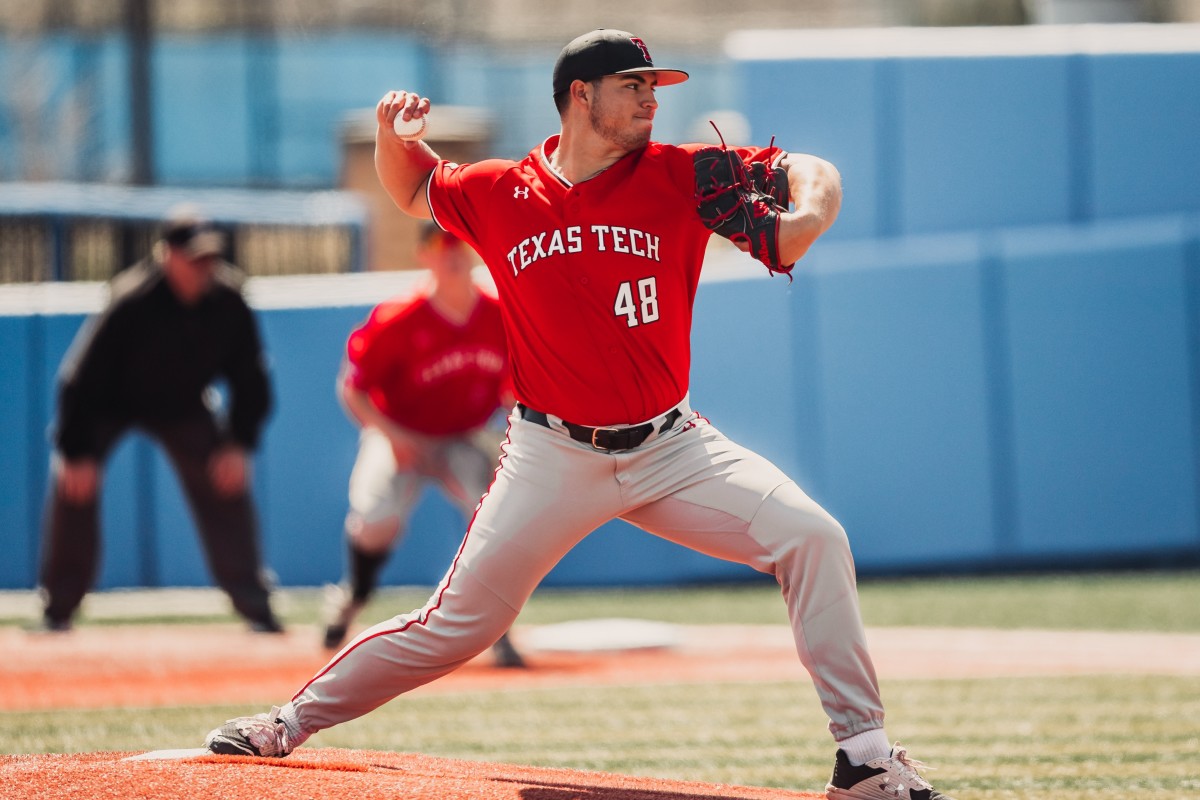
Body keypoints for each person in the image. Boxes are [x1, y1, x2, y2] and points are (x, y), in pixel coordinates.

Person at [204, 29, 955, 800]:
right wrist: (396, 133)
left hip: (673, 448)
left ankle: (863, 756)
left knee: (813, 538)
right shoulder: (500, 190)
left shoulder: (680, 174)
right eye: (635, 85)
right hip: (550, 455)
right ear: (581, 95)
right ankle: (287, 722)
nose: (653, 98)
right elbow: (410, 186)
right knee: (458, 625)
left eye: (655, 86)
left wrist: (811, 207)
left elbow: (806, 167)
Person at [38, 207, 284, 634]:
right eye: (194, 258)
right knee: (73, 482)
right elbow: (79, 378)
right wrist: (76, 450)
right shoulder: (132, 299)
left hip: (183, 405)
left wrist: (239, 442)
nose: (204, 267)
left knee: (224, 476)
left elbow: (251, 378)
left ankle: (256, 606)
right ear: (167, 254)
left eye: (210, 257)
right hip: (108, 405)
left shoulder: (227, 300)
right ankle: (57, 609)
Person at [322, 222, 525, 668]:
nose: (451, 251)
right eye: (439, 243)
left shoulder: (500, 314)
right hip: (400, 432)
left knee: (495, 520)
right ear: (424, 255)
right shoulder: (400, 317)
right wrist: (391, 436)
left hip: (462, 437)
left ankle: (500, 633)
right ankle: (351, 598)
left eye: (458, 241)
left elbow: (515, 391)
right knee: (376, 520)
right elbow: (352, 387)